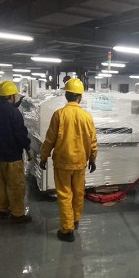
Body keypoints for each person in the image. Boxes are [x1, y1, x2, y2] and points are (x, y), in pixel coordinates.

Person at [39, 78, 98, 242]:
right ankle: (75, 220)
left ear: (66, 95)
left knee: (65, 195)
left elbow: (50, 140)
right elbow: (92, 141)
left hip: (62, 163)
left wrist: (43, 156)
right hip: (80, 163)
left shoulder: (59, 115)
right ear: (80, 97)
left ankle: (67, 230)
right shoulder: (87, 117)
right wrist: (92, 159)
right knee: (78, 193)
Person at [0, 80, 33, 223]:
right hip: (12, 156)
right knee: (16, 185)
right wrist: (27, 148)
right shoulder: (14, 112)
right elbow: (20, 133)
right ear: (12, 96)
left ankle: (2, 211)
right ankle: (17, 214)